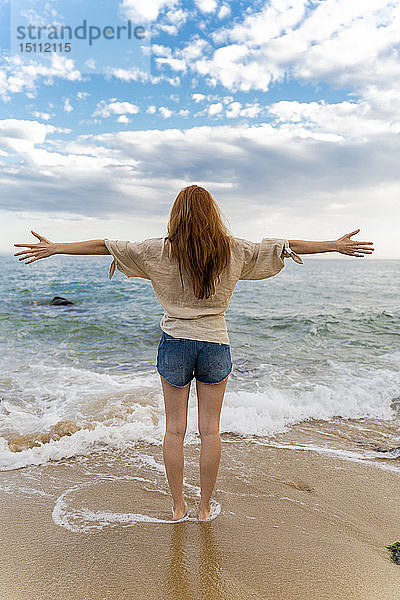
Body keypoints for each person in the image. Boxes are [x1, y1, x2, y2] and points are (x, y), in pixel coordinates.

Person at [14, 184, 375, 521]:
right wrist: (333, 245)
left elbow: (105, 246)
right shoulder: (234, 249)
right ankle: (203, 507)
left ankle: (177, 507)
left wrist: (57, 247)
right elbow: (281, 246)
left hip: (175, 342)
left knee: (174, 431)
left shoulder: (156, 249)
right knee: (210, 432)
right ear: (213, 214)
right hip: (216, 342)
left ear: (176, 215)